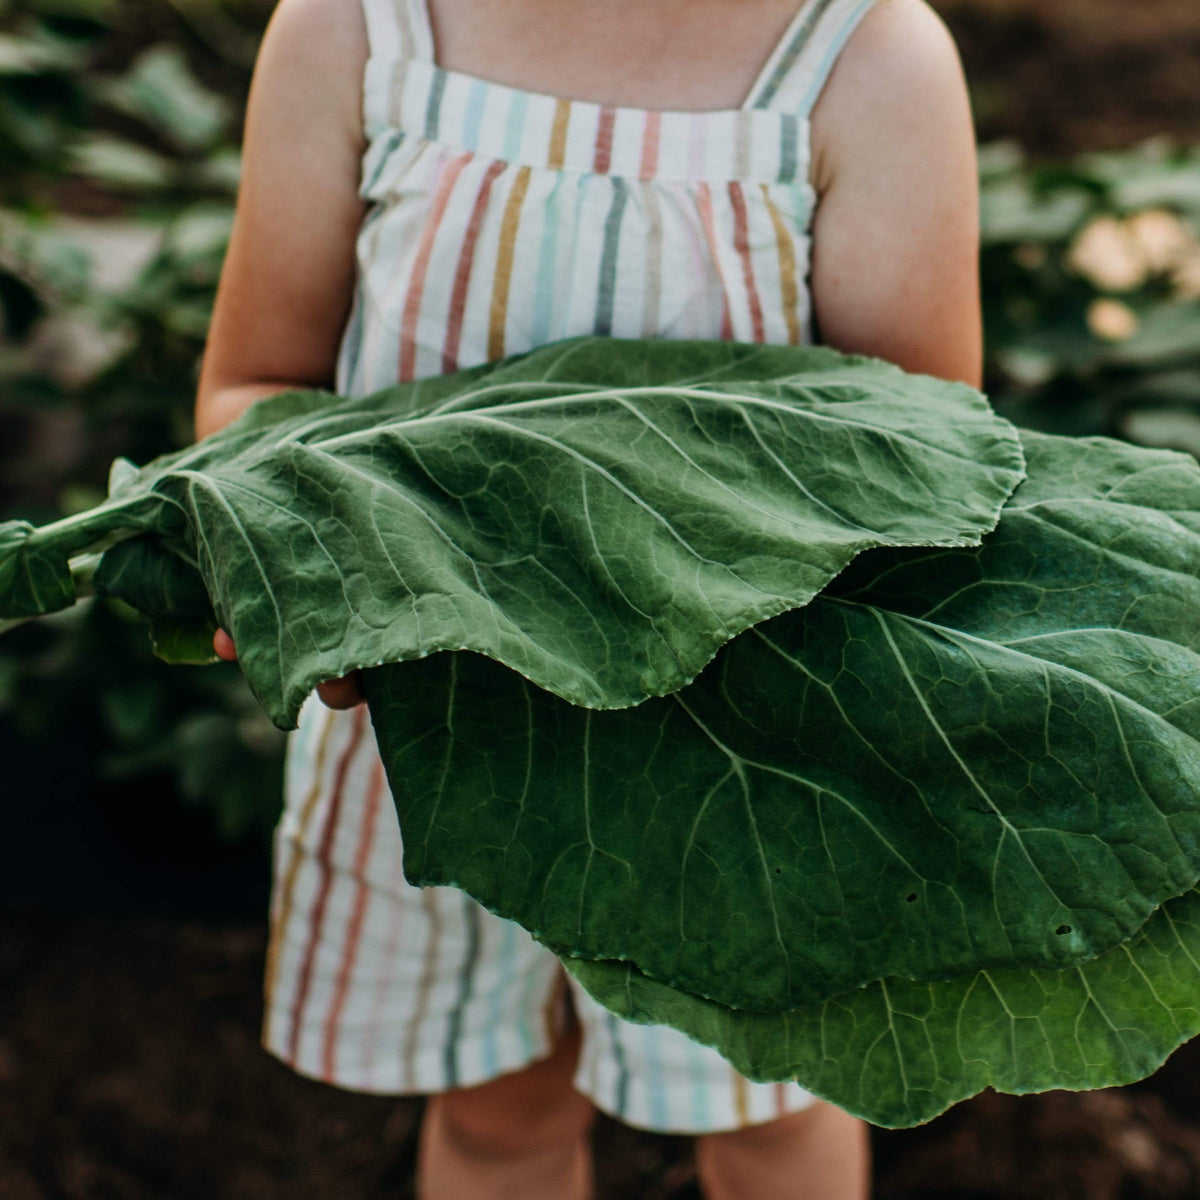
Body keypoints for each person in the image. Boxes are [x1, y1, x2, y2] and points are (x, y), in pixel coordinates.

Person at [195, 0, 981, 1194]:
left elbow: (915, 461)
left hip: (736, 742)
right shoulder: (356, 29)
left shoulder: (864, 56)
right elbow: (257, 382)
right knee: (497, 1106)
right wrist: (297, 567)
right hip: (437, 719)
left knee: (772, 1113)